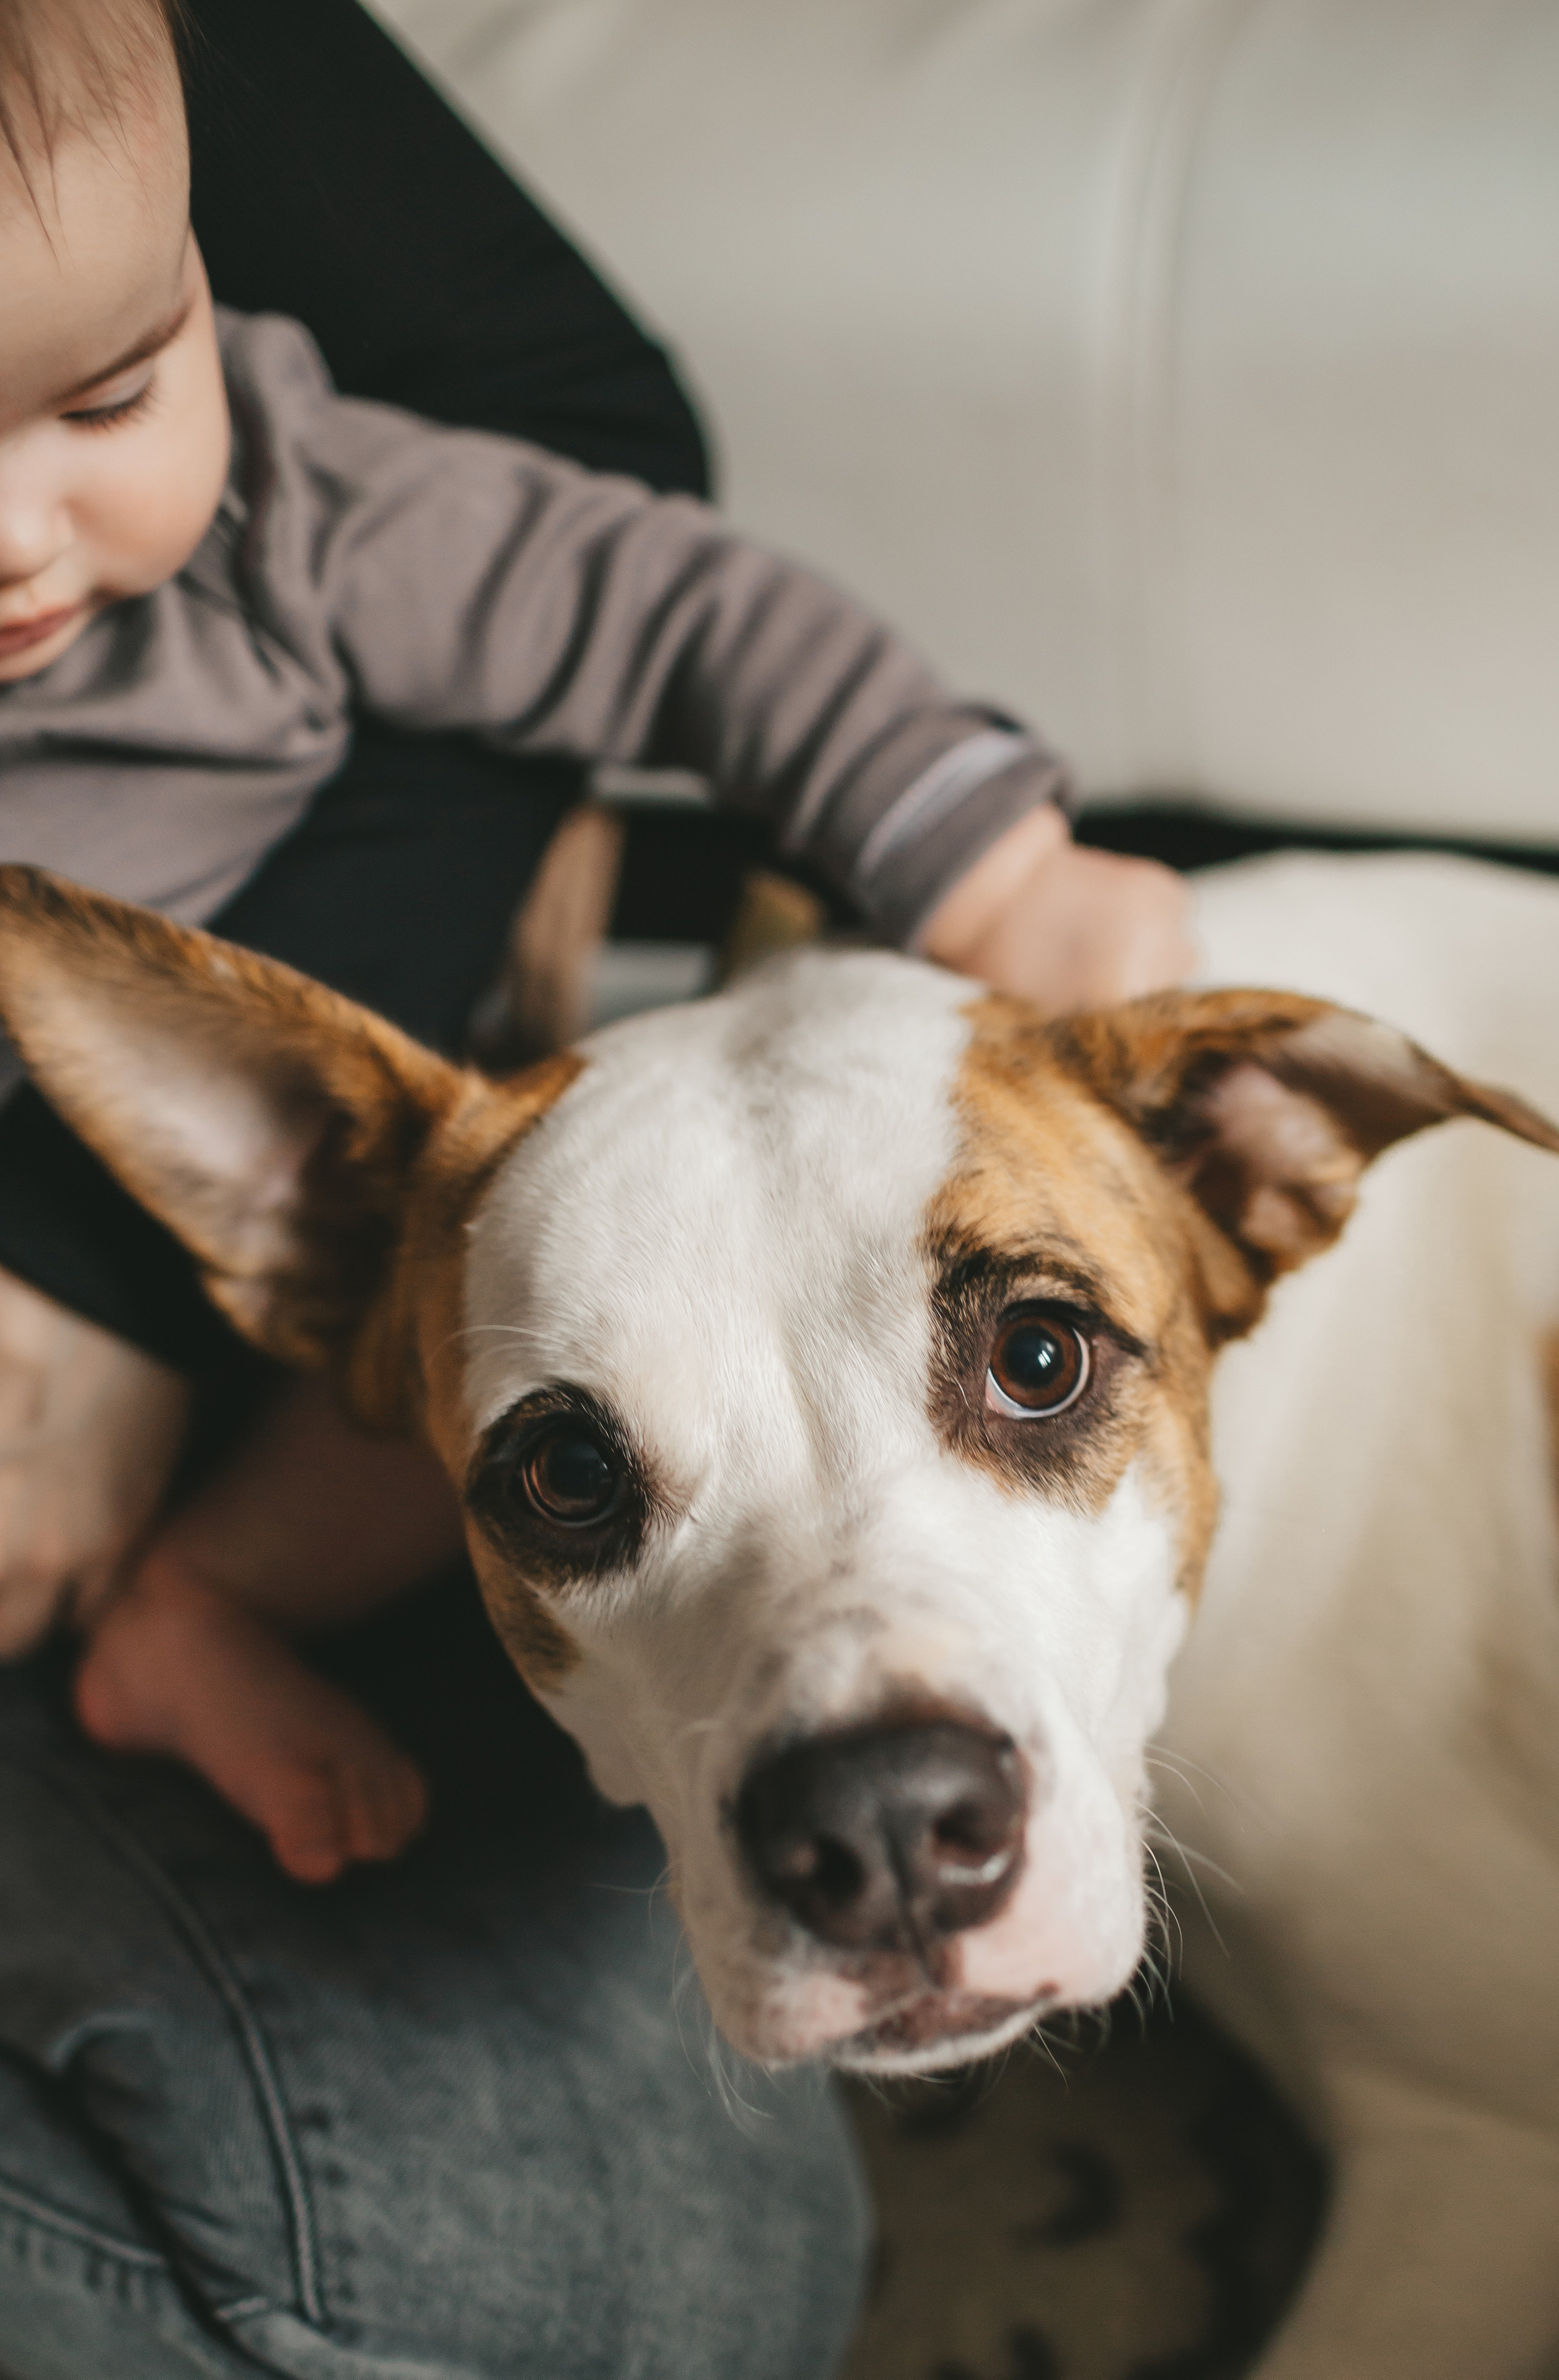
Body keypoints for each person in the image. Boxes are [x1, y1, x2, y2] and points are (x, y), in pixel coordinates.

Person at [0, 1, 1190, 2373]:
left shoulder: (314, 518)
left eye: (109, 402)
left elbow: (665, 590)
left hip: (234, 1246)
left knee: (507, 1359)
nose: (16, 538)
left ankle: (194, 1616)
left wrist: (991, 860)